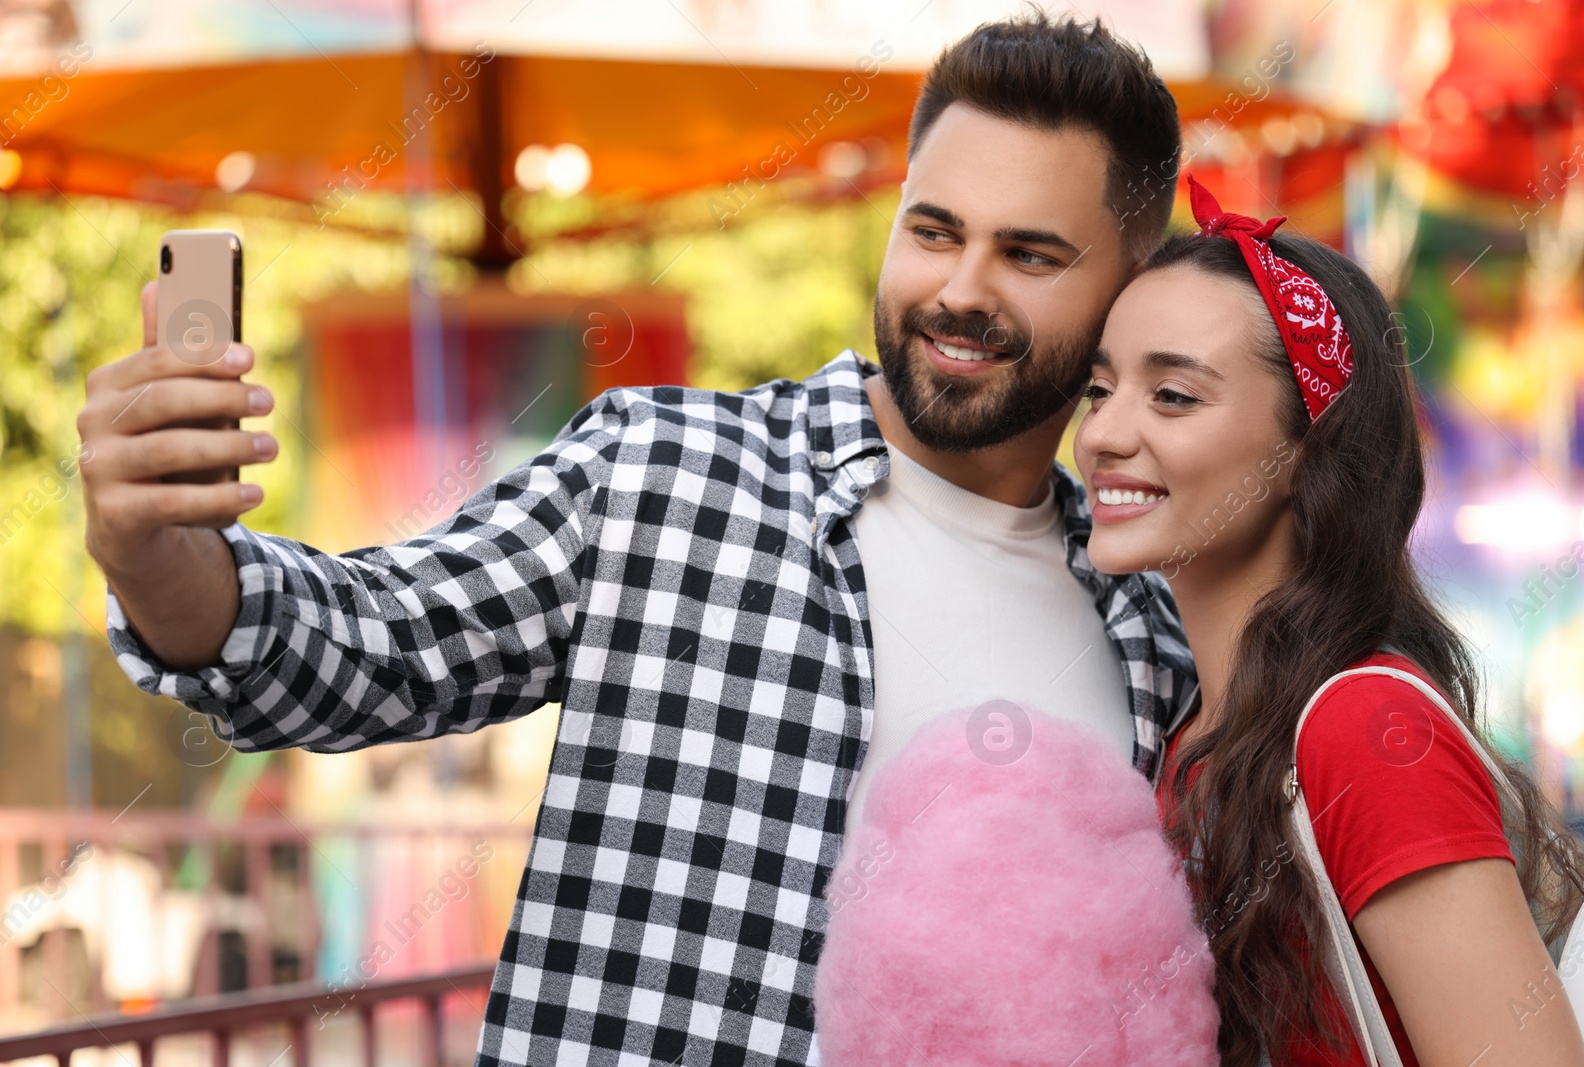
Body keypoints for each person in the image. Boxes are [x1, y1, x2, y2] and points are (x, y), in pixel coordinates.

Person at [78, 10, 1197, 1065]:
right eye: (934, 229)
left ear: (1130, 294)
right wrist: (156, 554)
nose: (959, 288)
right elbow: (357, 645)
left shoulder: (1156, 641)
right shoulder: (662, 471)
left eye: (1030, 255)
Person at [1073, 173, 1584, 1067]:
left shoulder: (1366, 729)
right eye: (1100, 389)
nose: (1101, 436)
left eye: (1172, 396)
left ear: (1304, 450)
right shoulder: (1197, 737)